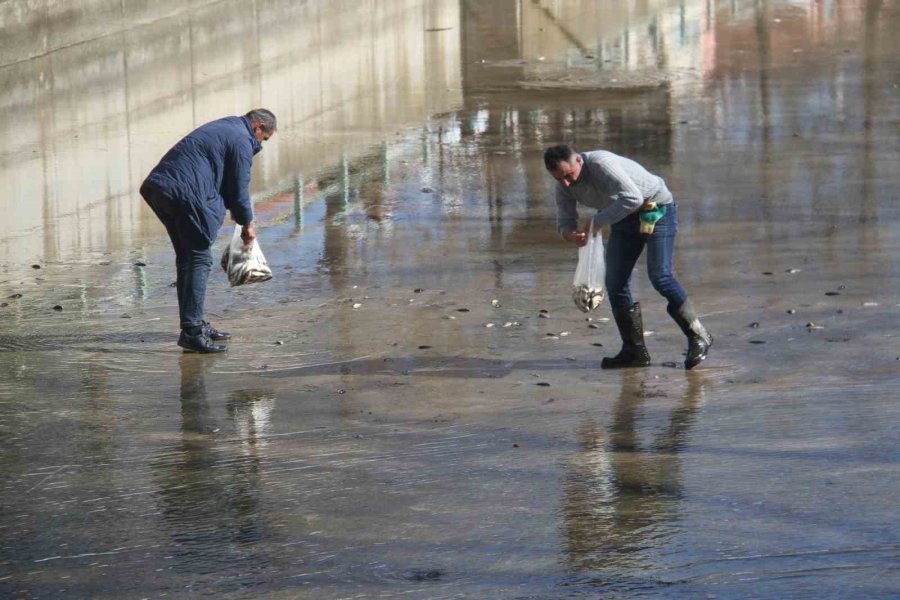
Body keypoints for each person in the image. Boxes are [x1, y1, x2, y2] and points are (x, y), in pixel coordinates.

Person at [544, 144, 712, 369]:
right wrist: (570, 235)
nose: (566, 183)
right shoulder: (563, 185)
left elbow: (632, 198)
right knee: (615, 283)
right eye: (559, 179)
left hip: (655, 209)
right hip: (622, 217)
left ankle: (698, 335)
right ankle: (634, 351)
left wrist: (598, 220)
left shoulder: (601, 165)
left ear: (579, 162)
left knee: (660, 276)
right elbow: (565, 219)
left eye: (568, 175)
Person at [140, 109, 277, 353]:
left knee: (188, 258)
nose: (260, 144)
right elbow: (238, 186)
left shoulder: (228, 128)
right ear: (257, 127)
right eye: (263, 139)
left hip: (160, 189)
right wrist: (247, 224)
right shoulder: (242, 139)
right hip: (183, 193)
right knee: (200, 258)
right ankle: (192, 331)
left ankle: (194, 324)